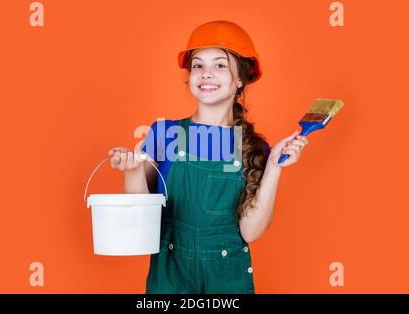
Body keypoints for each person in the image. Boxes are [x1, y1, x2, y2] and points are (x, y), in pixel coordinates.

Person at [108, 20, 309, 294]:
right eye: (198, 65)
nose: (206, 74)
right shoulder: (164, 134)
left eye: (220, 65)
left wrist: (274, 166)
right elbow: (140, 225)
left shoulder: (253, 147)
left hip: (226, 283)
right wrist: (131, 171)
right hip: (170, 280)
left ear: (240, 79)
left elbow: (250, 232)